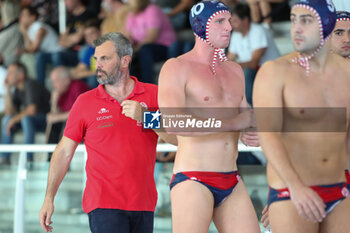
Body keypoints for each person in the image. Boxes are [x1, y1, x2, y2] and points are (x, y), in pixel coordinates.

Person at [39, 32, 176, 233]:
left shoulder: (154, 94)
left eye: (104, 58)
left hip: (144, 203)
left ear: (124, 61)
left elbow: (176, 139)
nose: (98, 65)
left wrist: (147, 117)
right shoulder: (85, 102)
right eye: (96, 59)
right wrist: (49, 198)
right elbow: (63, 152)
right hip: (103, 203)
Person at [158, 1, 260, 232]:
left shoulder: (234, 70)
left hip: (231, 178)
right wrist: (232, 123)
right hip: (194, 179)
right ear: (201, 27)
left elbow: (247, 118)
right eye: (220, 22)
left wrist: (252, 132)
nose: (229, 27)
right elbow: (173, 122)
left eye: (229, 21)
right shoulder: (176, 67)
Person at [253, 0, 350, 232]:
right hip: (292, 190)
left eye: (305, 21)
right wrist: (293, 189)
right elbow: (269, 136)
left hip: (340, 189)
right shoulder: (275, 71)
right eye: (294, 20)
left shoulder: (345, 73)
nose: (296, 27)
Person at [227, 3, 280, 106]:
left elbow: (254, 63)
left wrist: (231, 66)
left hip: (270, 71)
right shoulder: (235, 35)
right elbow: (229, 60)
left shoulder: (258, 30)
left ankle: (251, 106)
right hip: (256, 72)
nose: (231, 25)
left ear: (245, 20)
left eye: (234, 21)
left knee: (246, 72)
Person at [1, 62, 50, 164]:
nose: (7, 76)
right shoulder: (17, 90)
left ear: (21, 74)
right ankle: (5, 158)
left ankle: (28, 159)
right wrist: (8, 90)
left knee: (25, 119)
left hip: (46, 120)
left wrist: (13, 119)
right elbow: (9, 112)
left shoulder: (31, 84)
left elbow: (32, 111)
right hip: (31, 122)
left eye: (10, 73)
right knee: (7, 119)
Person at [125, 0, 176, 84]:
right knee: (125, 54)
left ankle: (147, 85)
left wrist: (135, 50)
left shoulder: (152, 9)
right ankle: (131, 89)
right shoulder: (131, 13)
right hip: (142, 48)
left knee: (145, 49)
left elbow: (151, 37)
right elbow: (127, 36)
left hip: (164, 46)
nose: (127, 2)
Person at [46, 66, 90, 149]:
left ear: (66, 80)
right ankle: (50, 155)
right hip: (72, 123)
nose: (53, 85)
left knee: (59, 121)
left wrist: (57, 118)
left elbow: (79, 112)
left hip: (87, 121)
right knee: (54, 122)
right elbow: (55, 114)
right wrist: (54, 102)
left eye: (56, 81)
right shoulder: (61, 92)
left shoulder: (77, 87)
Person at [17, 6, 62, 84]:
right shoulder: (30, 30)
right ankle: (39, 84)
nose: (21, 17)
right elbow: (29, 48)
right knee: (37, 56)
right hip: (49, 54)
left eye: (24, 15)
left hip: (58, 52)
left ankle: (40, 84)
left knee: (39, 56)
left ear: (33, 17)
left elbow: (33, 49)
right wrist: (25, 33)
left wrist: (24, 33)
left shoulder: (39, 26)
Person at [70, 19, 102, 88]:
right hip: (97, 79)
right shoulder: (91, 49)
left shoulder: (107, 47)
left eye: (92, 33)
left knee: (93, 78)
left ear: (100, 32)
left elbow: (106, 72)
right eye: (86, 35)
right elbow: (76, 73)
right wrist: (91, 73)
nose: (89, 37)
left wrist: (89, 73)